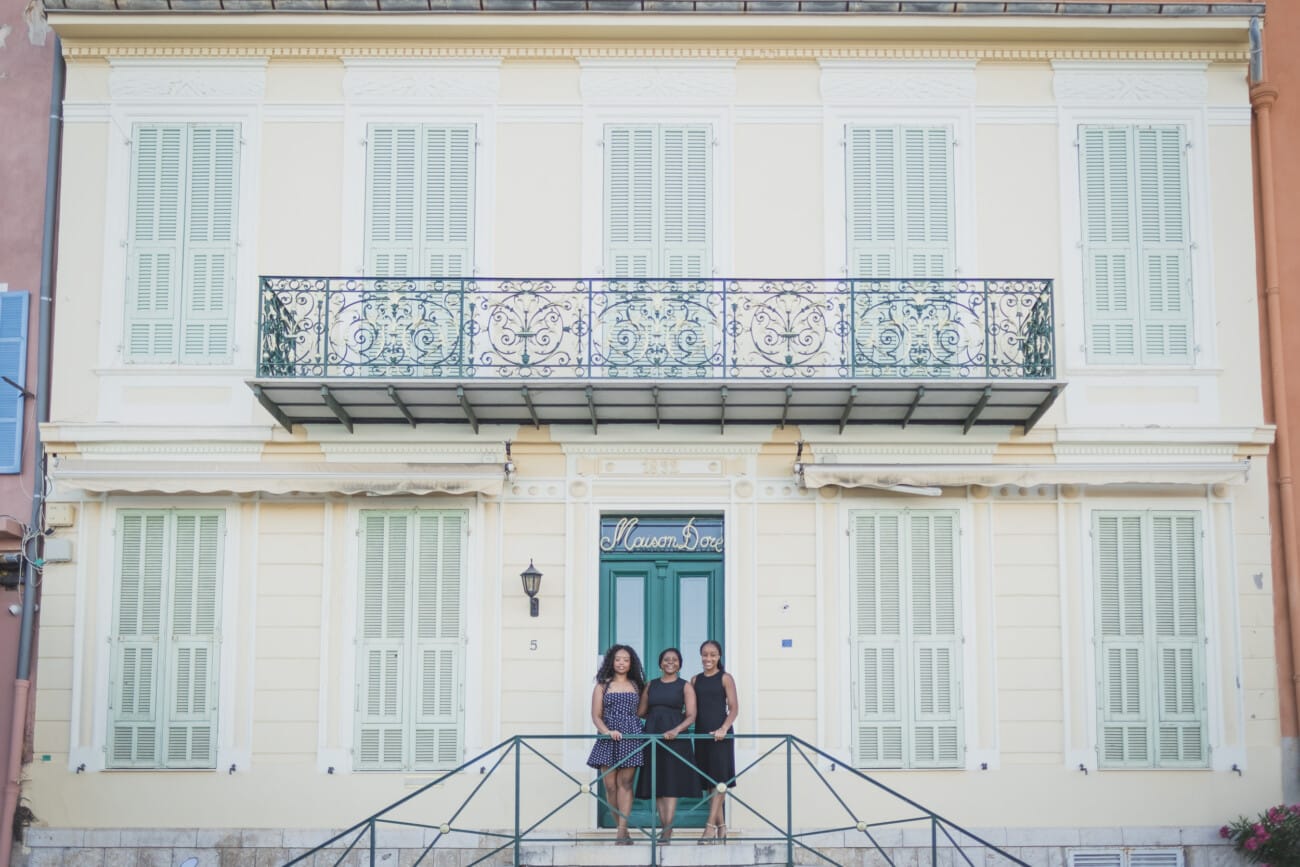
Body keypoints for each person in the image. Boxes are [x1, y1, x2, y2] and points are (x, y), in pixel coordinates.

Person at [634, 648, 699, 844]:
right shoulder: (650, 685)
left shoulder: (685, 686)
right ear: (660, 663)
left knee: (671, 784)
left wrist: (676, 729)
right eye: (666, 659)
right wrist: (656, 720)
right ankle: (663, 827)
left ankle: (667, 831)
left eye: (675, 660)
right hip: (653, 737)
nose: (670, 662)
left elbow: (691, 715)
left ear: (680, 664)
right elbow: (642, 712)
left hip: (675, 739)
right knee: (659, 784)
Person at [586, 644, 647, 845]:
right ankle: (621, 828)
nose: (622, 663)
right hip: (608, 736)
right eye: (618, 659)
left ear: (631, 664)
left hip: (631, 736)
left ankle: (622, 830)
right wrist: (607, 732)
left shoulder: (637, 685)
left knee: (625, 784)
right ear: (612, 661)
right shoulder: (602, 686)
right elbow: (596, 716)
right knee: (610, 786)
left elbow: (642, 712)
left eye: (626, 660)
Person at [691, 639, 738, 844]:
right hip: (702, 736)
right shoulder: (694, 680)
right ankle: (722, 828)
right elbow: (691, 710)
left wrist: (724, 728)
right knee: (710, 784)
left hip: (721, 736)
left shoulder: (725, 678)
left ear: (719, 657)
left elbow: (734, 708)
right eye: (705, 654)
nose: (708, 658)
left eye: (712, 654)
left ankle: (709, 828)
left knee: (719, 782)